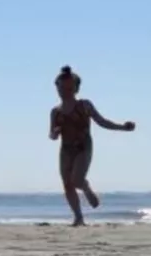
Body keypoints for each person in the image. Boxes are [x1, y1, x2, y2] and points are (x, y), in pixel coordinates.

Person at [48, 65, 134, 226]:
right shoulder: (55, 111)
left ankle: (85, 187)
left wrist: (122, 127)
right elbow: (52, 136)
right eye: (61, 87)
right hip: (65, 150)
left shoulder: (84, 105)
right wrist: (56, 132)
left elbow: (102, 122)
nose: (65, 90)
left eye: (69, 87)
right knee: (67, 184)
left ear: (76, 88)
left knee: (77, 180)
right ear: (57, 88)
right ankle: (78, 217)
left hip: (83, 147)